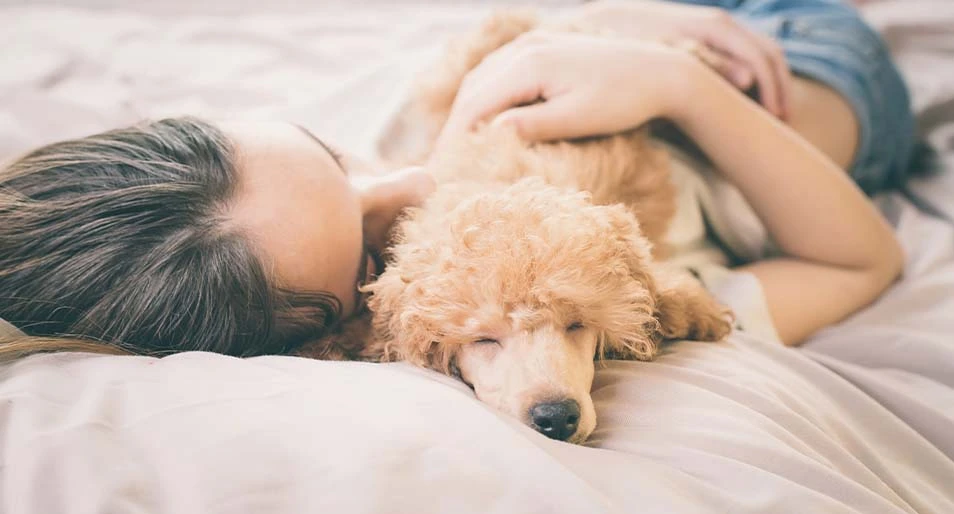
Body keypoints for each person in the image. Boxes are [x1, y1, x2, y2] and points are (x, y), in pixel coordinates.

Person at [0, 0, 914, 358]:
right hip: (812, 75)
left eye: (333, 154)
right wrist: (682, 84)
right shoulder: (556, 292)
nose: (407, 182)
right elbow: (856, 264)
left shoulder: (285, 212)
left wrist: (599, 27)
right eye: (368, 246)